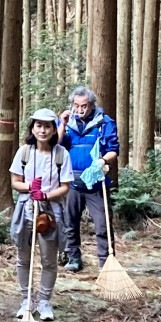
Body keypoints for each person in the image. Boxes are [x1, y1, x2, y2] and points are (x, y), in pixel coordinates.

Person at [9, 109, 73, 321]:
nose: (43, 130)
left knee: (48, 258)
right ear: (32, 128)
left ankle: (44, 301)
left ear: (54, 129)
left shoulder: (62, 154)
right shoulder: (24, 152)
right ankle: (26, 299)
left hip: (51, 212)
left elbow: (65, 186)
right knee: (23, 256)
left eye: (47, 126)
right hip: (26, 209)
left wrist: (45, 194)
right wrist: (30, 187)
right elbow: (15, 182)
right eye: (38, 125)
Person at [57, 86, 119, 272]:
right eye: (76, 105)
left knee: (102, 224)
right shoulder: (67, 124)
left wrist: (101, 161)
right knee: (70, 221)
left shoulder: (104, 123)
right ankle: (73, 257)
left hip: (96, 181)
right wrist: (62, 123)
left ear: (91, 105)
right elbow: (57, 146)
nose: (80, 110)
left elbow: (113, 150)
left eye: (84, 106)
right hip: (72, 181)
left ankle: (106, 261)